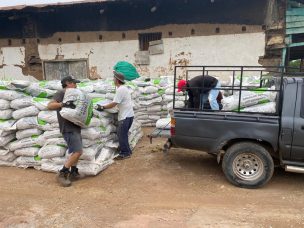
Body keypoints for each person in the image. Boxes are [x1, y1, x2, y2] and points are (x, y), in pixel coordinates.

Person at [47, 75, 83, 187]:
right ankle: (62, 173)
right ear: (68, 83)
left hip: (75, 126)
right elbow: (50, 105)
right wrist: (63, 104)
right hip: (67, 127)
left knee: (76, 151)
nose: (76, 85)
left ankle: (73, 171)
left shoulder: (74, 94)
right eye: (74, 83)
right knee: (78, 151)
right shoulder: (62, 92)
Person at [97, 72, 134, 160]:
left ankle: (125, 153)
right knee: (123, 134)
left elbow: (114, 103)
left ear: (117, 80)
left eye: (114, 78)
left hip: (125, 116)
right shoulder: (124, 88)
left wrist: (103, 107)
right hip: (129, 115)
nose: (113, 80)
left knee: (121, 135)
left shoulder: (120, 90)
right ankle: (127, 151)